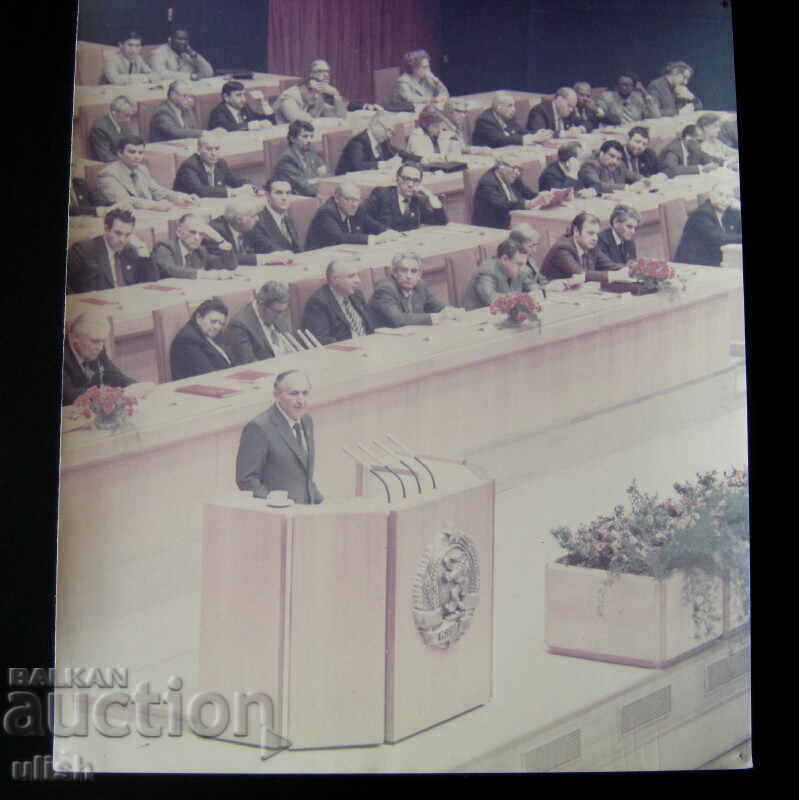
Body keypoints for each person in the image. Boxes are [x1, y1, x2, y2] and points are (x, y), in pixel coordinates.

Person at [236, 369, 324, 504]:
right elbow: (246, 480)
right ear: (276, 395)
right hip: (277, 516)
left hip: (305, 514)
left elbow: (304, 475)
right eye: (294, 393)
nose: (301, 400)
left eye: (305, 393)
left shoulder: (306, 421)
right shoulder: (259, 427)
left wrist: (321, 503)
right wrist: (275, 502)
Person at [62, 312, 154, 406]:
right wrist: (106, 395)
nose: (100, 347)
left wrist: (137, 387)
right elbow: (68, 394)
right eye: (95, 341)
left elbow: (113, 375)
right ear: (74, 338)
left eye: (102, 341)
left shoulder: (97, 347)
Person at [67, 207, 156, 294]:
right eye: (118, 233)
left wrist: (144, 252)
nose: (122, 240)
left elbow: (150, 284)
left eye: (127, 235)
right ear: (106, 229)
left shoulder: (130, 251)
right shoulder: (83, 250)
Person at [96, 136, 197, 210]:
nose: (137, 156)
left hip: (147, 214)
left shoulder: (141, 169)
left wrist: (182, 197)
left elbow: (158, 191)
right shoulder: (108, 174)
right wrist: (155, 205)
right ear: (119, 153)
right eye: (132, 152)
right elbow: (124, 202)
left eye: (140, 152)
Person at [370, 251, 460, 327]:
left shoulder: (420, 285)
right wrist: (435, 317)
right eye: (404, 270)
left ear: (419, 275)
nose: (409, 276)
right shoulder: (385, 289)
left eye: (414, 271)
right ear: (394, 272)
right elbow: (398, 320)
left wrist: (450, 312)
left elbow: (438, 307)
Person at [304, 183, 400, 251]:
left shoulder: (357, 208)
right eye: (349, 199)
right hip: (319, 256)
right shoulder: (326, 212)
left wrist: (389, 232)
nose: (354, 204)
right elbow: (340, 238)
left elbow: (372, 225)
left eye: (357, 200)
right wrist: (374, 239)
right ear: (337, 198)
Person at [301, 258, 376, 344]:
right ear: (335, 280)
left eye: (357, 275)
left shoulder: (357, 295)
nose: (358, 281)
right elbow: (321, 339)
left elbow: (371, 326)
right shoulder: (318, 302)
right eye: (351, 276)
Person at [363, 162, 448, 232]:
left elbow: (441, 221)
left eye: (415, 181)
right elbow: (364, 218)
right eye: (406, 179)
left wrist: (429, 195)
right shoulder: (382, 194)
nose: (410, 184)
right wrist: (385, 231)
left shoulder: (416, 201)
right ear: (397, 179)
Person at [540, 211, 624, 282]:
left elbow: (610, 265)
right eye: (590, 233)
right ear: (576, 231)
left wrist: (630, 270)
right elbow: (579, 275)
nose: (595, 238)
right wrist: (613, 276)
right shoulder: (562, 248)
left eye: (596, 234)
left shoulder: (591, 246)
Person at [472, 154, 550, 229]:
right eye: (514, 168)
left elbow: (528, 193)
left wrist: (544, 195)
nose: (517, 173)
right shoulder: (487, 184)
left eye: (520, 169)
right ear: (501, 167)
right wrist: (529, 203)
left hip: (514, 218)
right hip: (495, 226)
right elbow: (502, 205)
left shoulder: (512, 176)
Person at [225, 281, 293, 364]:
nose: (281, 317)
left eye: (284, 311)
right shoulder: (239, 326)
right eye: (277, 312)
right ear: (261, 305)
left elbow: (290, 343)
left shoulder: (280, 312)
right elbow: (249, 364)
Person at [674, 183, 742, 267]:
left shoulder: (730, 211)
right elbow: (719, 239)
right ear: (711, 195)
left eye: (728, 197)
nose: (724, 200)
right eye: (720, 195)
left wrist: (740, 209)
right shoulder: (701, 214)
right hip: (694, 264)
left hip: (714, 258)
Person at [462, 238, 540, 310]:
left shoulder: (520, 270)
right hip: (478, 318)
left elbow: (531, 286)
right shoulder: (487, 272)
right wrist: (519, 298)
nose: (523, 268)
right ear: (504, 259)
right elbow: (491, 298)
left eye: (524, 264)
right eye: (519, 264)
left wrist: (536, 292)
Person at [151, 213, 236, 279]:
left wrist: (220, 240)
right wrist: (206, 274)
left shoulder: (200, 251)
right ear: (179, 232)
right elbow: (172, 270)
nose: (197, 238)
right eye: (192, 232)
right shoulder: (164, 247)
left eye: (201, 234)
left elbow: (230, 266)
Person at [173, 132, 255, 198]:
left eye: (217, 149)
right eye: (209, 149)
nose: (214, 153)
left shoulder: (221, 163)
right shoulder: (189, 166)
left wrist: (248, 186)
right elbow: (200, 191)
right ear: (199, 150)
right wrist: (233, 192)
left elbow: (234, 179)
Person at [170, 297, 232, 380]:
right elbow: (207, 375)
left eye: (221, 323)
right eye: (213, 321)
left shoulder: (210, 333)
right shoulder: (187, 341)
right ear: (199, 318)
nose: (217, 327)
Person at [335, 113, 420, 174]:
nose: (389, 135)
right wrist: (384, 165)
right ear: (375, 125)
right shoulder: (357, 142)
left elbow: (398, 153)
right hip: (346, 183)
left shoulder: (383, 141)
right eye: (388, 130)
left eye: (391, 132)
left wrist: (422, 159)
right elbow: (358, 166)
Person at [472, 91, 550, 148]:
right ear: (499, 108)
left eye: (513, 106)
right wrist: (532, 138)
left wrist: (536, 134)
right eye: (510, 106)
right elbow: (500, 140)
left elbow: (521, 131)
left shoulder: (507, 116)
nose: (514, 109)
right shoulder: (485, 120)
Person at [272, 120, 329, 197]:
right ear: (292, 139)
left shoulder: (310, 151)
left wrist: (317, 181)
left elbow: (327, 175)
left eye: (311, 136)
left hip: (313, 195)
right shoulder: (287, 159)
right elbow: (305, 188)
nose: (309, 140)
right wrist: (320, 182)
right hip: (296, 199)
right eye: (305, 136)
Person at [248, 178, 303, 256]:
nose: (284, 197)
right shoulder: (257, 221)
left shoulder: (288, 220)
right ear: (267, 196)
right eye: (279, 193)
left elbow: (298, 249)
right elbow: (268, 250)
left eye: (288, 193)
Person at [207, 199, 265, 266]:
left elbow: (265, 245)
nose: (257, 219)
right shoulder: (216, 231)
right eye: (254, 216)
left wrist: (277, 255)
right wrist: (264, 258)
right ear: (239, 219)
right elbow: (224, 259)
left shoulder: (248, 227)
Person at [148, 27, 214, 80]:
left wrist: (193, 55)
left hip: (190, 88)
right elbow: (160, 73)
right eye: (180, 39)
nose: (183, 42)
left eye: (186, 39)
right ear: (170, 39)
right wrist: (190, 77)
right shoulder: (159, 53)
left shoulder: (188, 53)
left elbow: (208, 72)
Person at [207, 81, 275, 131]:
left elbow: (270, 122)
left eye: (244, 94)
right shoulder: (217, 112)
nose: (243, 99)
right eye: (238, 95)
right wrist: (250, 125)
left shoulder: (244, 108)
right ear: (226, 97)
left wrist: (263, 102)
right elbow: (228, 129)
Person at [273, 78, 347, 124]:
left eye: (318, 92)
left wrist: (336, 93)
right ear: (301, 87)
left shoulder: (315, 99)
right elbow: (298, 122)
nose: (316, 96)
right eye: (310, 90)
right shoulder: (289, 96)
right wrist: (324, 121)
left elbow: (340, 116)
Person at [596, 73, 660, 125]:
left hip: (635, 131)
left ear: (633, 87)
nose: (624, 87)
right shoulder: (607, 96)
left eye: (628, 85)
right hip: (614, 130)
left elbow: (655, 115)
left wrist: (644, 92)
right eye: (622, 84)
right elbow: (599, 113)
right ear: (617, 86)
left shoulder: (638, 99)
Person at [89, 96, 136, 163]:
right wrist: (128, 162)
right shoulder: (100, 128)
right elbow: (106, 157)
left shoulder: (123, 121)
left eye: (130, 115)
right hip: (108, 166)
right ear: (114, 112)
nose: (129, 120)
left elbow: (134, 143)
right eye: (126, 115)